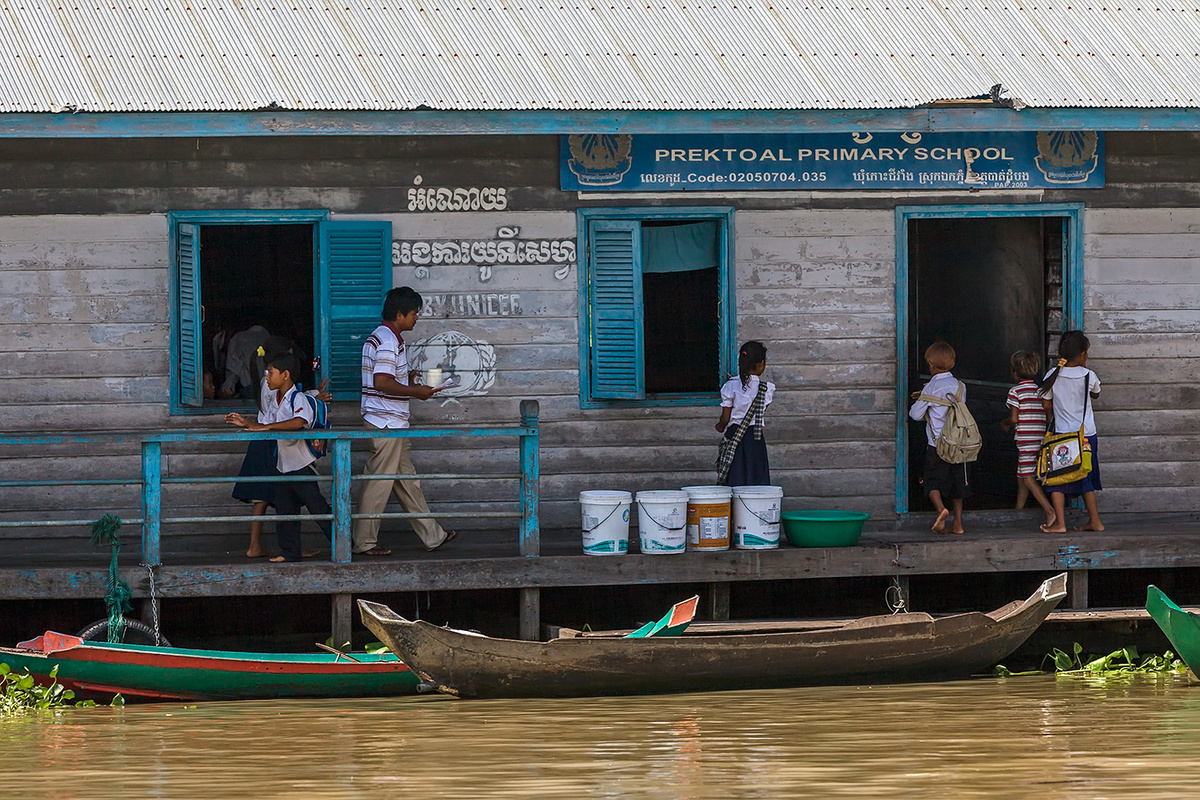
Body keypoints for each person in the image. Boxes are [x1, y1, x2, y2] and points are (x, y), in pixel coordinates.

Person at [353, 287, 455, 556]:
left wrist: (407, 381)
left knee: (407, 482)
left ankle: (433, 536)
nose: (416, 319)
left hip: (390, 421)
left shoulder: (380, 337)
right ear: (399, 314)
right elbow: (381, 382)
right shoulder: (388, 341)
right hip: (386, 422)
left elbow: (385, 379)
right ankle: (364, 542)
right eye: (413, 313)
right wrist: (417, 392)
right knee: (378, 483)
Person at [226, 351, 332, 562]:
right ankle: (290, 552)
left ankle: (346, 544)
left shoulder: (299, 397)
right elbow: (265, 424)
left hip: (301, 464)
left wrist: (267, 427)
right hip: (283, 464)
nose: (267, 377)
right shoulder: (276, 400)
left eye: (271, 373)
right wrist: (247, 423)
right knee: (286, 510)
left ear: (285, 374)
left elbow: (298, 422)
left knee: (317, 507)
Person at [1037, 330, 1104, 533]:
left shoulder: (1052, 375)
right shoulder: (1089, 375)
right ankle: (1095, 522)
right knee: (1086, 478)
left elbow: (1046, 404)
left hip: (1061, 436)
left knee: (1056, 478)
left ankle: (1060, 524)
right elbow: (1096, 394)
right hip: (1086, 436)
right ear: (1083, 354)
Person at [909, 341, 969, 535]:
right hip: (959, 444)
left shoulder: (930, 387)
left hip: (937, 445)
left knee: (932, 481)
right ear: (952, 363)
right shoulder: (960, 386)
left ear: (930, 364)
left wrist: (923, 398)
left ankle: (941, 509)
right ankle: (958, 524)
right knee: (958, 485)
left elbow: (915, 415)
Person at [1002, 350, 1056, 530]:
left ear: (1014, 372)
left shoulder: (1015, 391)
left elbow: (1015, 419)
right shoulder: (1041, 391)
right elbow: (1048, 418)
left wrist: (1005, 423)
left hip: (1025, 440)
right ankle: (1019, 511)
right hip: (1040, 438)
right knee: (1022, 475)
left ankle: (1050, 510)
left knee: (1027, 477)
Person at [715, 341, 775, 486]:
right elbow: (760, 411)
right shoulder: (766, 388)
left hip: (734, 434)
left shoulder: (730, 386)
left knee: (735, 473)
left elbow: (726, 417)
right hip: (755, 436)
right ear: (761, 363)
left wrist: (720, 426)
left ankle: (735, 506)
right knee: (756, 474)